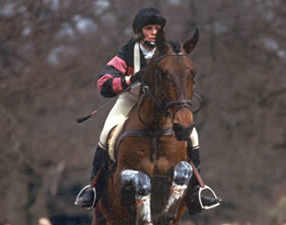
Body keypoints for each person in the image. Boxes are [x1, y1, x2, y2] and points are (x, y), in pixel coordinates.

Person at [75, 7, 220, 214]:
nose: (153, 31)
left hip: (162, 105)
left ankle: (198, 190)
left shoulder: (170, 49)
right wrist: (131, 78)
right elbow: (103, 83)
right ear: (139, 31)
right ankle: (93, 188)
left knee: (193, 136)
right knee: (106, 132)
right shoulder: (128, 51)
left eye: (157, 28)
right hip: (131, 100)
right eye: (149, 28)